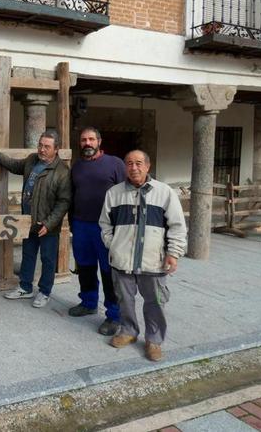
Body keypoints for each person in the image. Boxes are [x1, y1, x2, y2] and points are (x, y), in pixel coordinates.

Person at [99, 150, 187, 362]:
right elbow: (105, 224)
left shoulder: (164, 192)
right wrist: (114, 245)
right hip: (122, 261)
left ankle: (154, 340)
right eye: (129, 163)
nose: (134, 167)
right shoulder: (114, 193)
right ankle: (128, 330)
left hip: (153, 262)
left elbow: (177, 226)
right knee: (125, 300)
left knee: (155, 302)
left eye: (138, 163)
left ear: (148, 166)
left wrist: (173, 253)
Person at [0, 131, 71, 308]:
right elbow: (15, 166)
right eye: (40, 145)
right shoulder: (32, 160)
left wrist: (49, 223)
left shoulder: (62, 172)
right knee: (28, 255)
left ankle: (44, 292)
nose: (42, 149)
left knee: (48, 259)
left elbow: (64, 202)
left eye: (47, 147)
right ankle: (25, 287)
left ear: (56, 149)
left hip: (47, 225)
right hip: (28, 221)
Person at [68, 127, 126, 336]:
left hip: (107, 227)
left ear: (99, 141)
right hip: (82, 225)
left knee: (109, 272)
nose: (87, 143)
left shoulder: (115, 164)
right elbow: (73, 196)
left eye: (91, 139)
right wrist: (72, 223)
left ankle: (114, 315)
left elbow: (126, 194)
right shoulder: (77, 167)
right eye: (84, 140)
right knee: (85, 267)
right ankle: (88, 302)